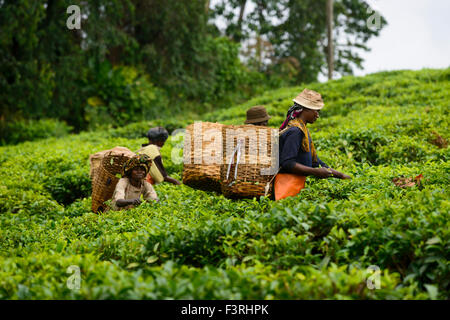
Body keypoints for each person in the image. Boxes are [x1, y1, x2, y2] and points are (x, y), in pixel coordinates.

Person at [276, 88, 351, 200]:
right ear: (305, 110)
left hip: (298, 185)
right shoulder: (295, 131)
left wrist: (340, 175)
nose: (317, 115)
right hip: (288, 185)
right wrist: (315, 172)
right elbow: (287, 163)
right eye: (316, 111)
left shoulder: (302, 129)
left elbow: (315, 162)